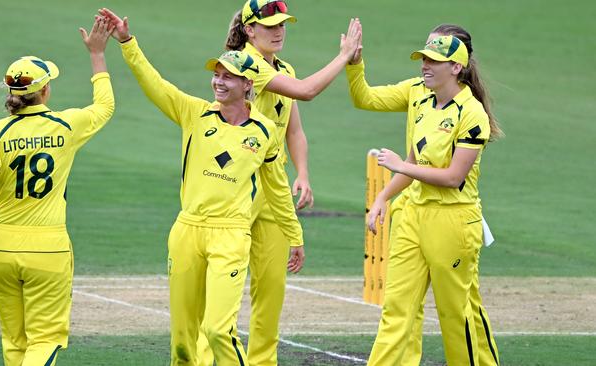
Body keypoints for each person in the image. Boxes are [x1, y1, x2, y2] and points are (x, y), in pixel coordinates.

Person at [99, 8, 305, 365]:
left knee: (217, 332)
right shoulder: (194, 113)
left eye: (230, 77)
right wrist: (127, 43)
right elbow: (155, 83)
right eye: (217, 75)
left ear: (248, 86)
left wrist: (295, 235)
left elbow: (276, 189)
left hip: (230, 235)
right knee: (182, 343)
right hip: (187, 232)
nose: (220, 82)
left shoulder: (264, 133)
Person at [193, 2, 362, 365]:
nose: (278, 30)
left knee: (271, 289)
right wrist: (344, 57)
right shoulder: (243, 63)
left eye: (282, 24)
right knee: (223, 288)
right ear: (250, 30)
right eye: (269, 25)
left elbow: (294, 129)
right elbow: (306, 91)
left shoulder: (283, 68)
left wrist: (302, 173)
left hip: (272, 188)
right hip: (236, 186)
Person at [0, 18, 115, 366]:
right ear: (46, 90)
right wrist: (97, 55)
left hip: (0, 250)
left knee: (14, 341)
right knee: (46, 340)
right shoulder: (67, 125)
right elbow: (105, 107)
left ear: (10, 93)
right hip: (47, 249)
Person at [347, 24, 501, 365]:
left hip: (453, 223)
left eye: (433, 59)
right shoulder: (423, 100)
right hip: (414, 215)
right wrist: (383, 197)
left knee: (454, 316)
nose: (424, 65)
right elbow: (417, 159)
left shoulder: (472, 114)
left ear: (456, 67)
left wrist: (400, 167)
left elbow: (451, 177)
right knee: (396, 311)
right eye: (423, 57)